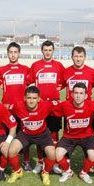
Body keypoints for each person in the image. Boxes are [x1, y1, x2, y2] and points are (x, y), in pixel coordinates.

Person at [26, 40, 64, 174]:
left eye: (50, 50)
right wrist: (36, 98)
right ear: (42, 51)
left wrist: (57, 90)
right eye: (45, 50)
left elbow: (64, 82)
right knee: (39, 134)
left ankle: (53, 163)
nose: (47, 52)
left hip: (54, 106)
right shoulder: (35, 65)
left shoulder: (59, 66)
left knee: (54, 135)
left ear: (53, 51)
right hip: (40, 106)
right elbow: (28, 82)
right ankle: (40, 162)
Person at [7, 86, 57, 185]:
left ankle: (45, 172)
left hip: (42, 134)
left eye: (34, 98)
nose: (31, 101)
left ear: (39, 99)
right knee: (11, 151)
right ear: (25, 98)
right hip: (25, 134)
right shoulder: (18, 106)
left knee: (52, 154)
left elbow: (63, 106)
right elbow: (5, 110)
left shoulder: (46, 105)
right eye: (29, 98)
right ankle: (18, 172)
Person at [0, 42, 30, 170]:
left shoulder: (26, 70)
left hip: (22, 109)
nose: (13, 55)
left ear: (19, 53)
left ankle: (26, 160)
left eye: (15, 52)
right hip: (6, 109)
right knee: (4, 135)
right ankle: (3, 160)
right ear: (7, 53)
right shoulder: (1, 70)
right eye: (11, 52)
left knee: (23, 136)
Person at [54, 83, 94, 183]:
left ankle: (84, 173)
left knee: (93, 156)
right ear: (72, 94)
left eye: (81, 93)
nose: (78, 96)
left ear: (86, 96)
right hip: (69, 137)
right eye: (76, 93)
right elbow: (48, 107)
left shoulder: (92, 105)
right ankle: (68, 171)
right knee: (57, 154)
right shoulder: (65, 105)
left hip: (87, 136)